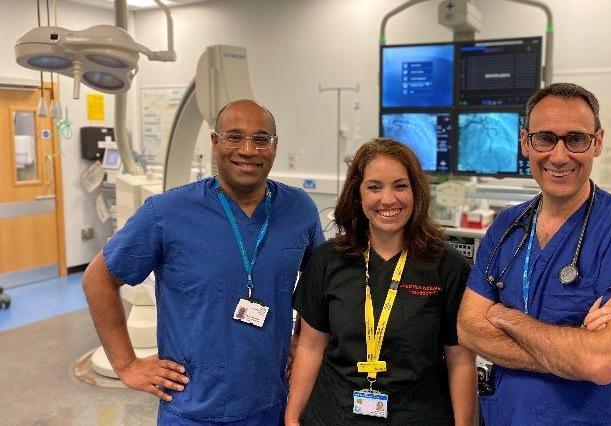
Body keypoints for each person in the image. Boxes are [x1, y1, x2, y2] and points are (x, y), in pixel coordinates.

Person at [82, 100, 324, 424]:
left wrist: (300, 339)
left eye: (261, 139)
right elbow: (98, 278)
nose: (248, 150)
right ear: (214, 142)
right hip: (192, 410)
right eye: (234, 137)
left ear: (275, 146)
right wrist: (126, 365)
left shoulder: (299, 210)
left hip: (272, 404)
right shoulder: (166, 213)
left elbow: (319, 285)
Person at [457, 83, 611, 425]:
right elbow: (468, 329)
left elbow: (600, 362)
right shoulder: (507, 226)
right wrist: (571, 354)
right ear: (526, 143)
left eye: (575, 138)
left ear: (597, 143)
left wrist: (505, 317)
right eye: (545, 138)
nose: (558, 156)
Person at [285, 138, 477, 425]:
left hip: (417, 416)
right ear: (357, 194)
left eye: (400, 186)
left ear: (416, 192)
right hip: (333, 415)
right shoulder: (328, 260)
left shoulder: (447, 267)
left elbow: (460, 361)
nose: (388, 199)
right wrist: (292, 418)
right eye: (374, 187)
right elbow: (311, 347)